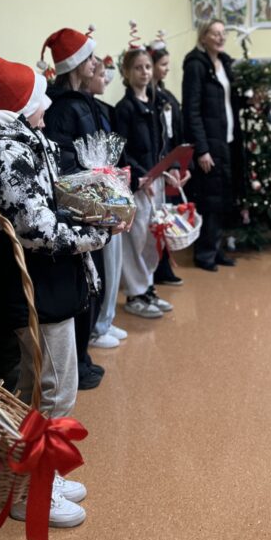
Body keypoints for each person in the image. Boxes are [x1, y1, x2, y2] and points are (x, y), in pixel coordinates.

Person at [0, 38, 114, 528]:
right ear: (20, 107)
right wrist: (97, 233)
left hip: (43, 287)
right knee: (50, 391)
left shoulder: (20, 145)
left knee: (44, 388)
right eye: (40, 99)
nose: (47, 109)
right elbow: (38, 231)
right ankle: (30, 491)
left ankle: (40, 473)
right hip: (30, 290)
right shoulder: (5, 155)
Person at [40, 27, 113, 381]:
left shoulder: (83, 101)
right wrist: (93, 186)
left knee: (96, 283)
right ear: (76, 64)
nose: (97, 63)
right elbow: (64, 165)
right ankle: (77, 365)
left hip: (94, 205)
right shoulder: (62, 108)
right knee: (85, 285)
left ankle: (83, 356)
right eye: (91, 58)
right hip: (78, 212)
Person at [114, 46, 173, 318]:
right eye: (138, 68)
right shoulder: (124, 109)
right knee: (136, 239)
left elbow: (162, 142)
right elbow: (122, 151)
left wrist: (170, 168)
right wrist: (140, 177)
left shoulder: (156, 104)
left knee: (153, 236)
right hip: (138, 183)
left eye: (148, 67)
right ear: (127, 72)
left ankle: (148, 287)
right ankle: (135, 293)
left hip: (157, 178)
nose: (144, 72)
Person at [182, 19, 244, 271]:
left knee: (222, 198)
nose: (220, 37)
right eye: (215, 33)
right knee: (209, 199)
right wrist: (202, 149)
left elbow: (229, 101)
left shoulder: (224, 63)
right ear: (203, 37)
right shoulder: (196, 66)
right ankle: (204, 254)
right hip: (210, 144)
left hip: (227, 140)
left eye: (223, 33)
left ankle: (216, 249)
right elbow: (192, 110)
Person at [83, 56, 128, 348]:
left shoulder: (103, 109)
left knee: (114, 261)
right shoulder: (79, 109)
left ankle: (107, 319)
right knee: (103, 263)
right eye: (100, 74)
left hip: (110, 186)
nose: (105, 79)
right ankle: (98, 325)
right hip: (95, 194)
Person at [151, 41, 185, 286]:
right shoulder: (148, 99)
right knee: (155, 219)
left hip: (169, 164)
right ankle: (156, 270)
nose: (166, 69)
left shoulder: (166, 96)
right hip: (155, 168)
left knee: (167, 215)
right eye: (162, 64)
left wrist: (178, 165)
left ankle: (164, 266)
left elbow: (174, 134)